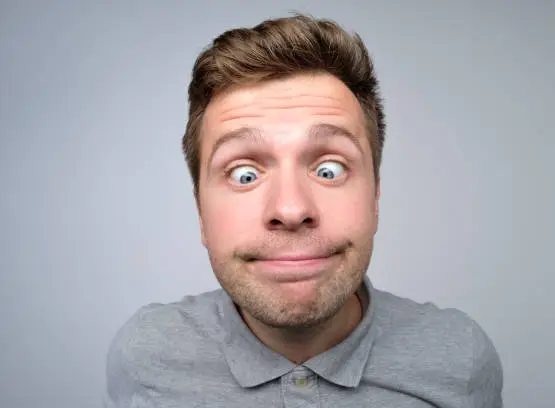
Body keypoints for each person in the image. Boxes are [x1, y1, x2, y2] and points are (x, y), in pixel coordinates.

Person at [105, 13, 503, 407]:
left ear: (375, 196)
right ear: (200, 211)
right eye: (244, 174)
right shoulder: (146, 357)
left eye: (329, 169)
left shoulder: (460, 360)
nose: (291, 209)